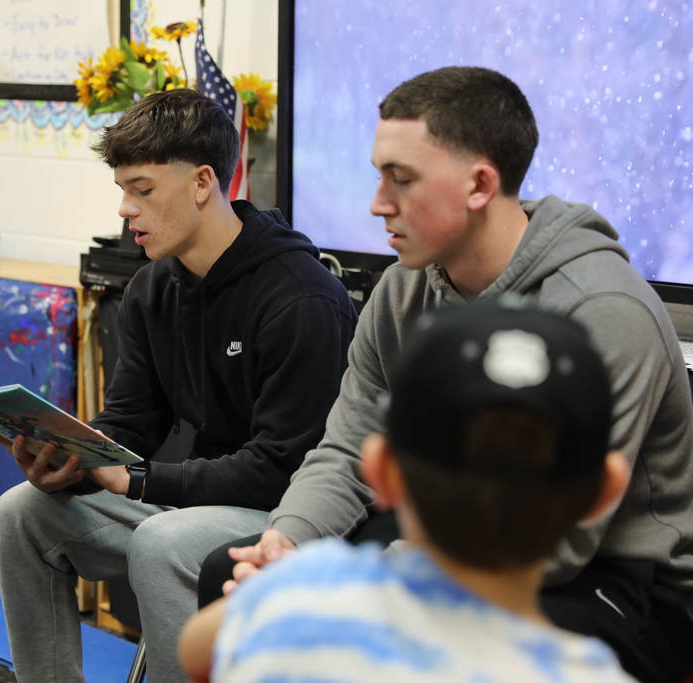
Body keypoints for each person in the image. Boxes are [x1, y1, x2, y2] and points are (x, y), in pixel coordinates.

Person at [202, 66, 693, 683]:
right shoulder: (403, 287)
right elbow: (349, 445)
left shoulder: (603, 311)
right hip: (445, 526)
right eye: (379, 175)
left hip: (613, 574)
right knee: (234, 574)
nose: (377, 204)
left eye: (401, 180)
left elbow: (556, 536)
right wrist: (288, 543)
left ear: (480, 185)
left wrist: (363, 590)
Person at [0, 88, 356, 683]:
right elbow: (131, 421)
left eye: (143, 190)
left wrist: (139, 478)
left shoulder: (302, 298)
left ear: (202, 182)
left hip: (291, 516)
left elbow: (287, 467)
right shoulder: (151, 289)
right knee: (21, 512)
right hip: (201, 505)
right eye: (122, 191)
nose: (124, 210)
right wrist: (76, 454)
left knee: (164, 541)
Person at [180, 301, 639, 682]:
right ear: (606, 492)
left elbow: (196, 649)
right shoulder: (596, 674)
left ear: (380, 472)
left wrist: (282, 593)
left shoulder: (303, 595)